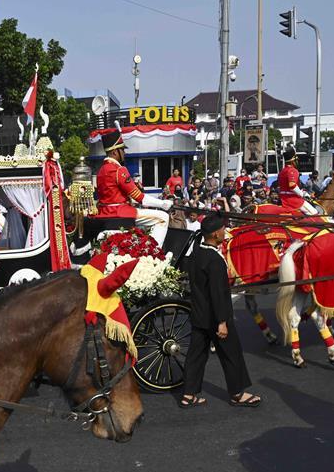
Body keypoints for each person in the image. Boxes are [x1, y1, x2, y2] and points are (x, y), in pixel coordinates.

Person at [180, 212, 261, 408]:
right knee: (231, 354)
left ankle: (188, 394)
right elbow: (217, 294)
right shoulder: (214, 261)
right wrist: (222, 322)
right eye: (223, 229)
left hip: (199, 314)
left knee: (196, 355)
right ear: (216, 234)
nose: (225, 231)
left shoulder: (197, 253)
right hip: (216, 317)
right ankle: (237, 393)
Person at [94, 130, 172, 245]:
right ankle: (153, 252)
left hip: (105, 212)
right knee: (163, 217)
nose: (124, 153)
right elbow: (140, 197)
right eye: (122, 150)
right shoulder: (119, 170)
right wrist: (162, 204)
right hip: (120, 212)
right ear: (115, 152)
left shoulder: (101, 170)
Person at [277, 144, 318, 215]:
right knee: (314, 213)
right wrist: (302, 195)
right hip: (293, 200)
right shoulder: (292, 170)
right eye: (296, 160)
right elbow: (292, 185)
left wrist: (304, 193)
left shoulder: (282, 171)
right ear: (293, 161)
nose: (297, 162)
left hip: (283, 199)